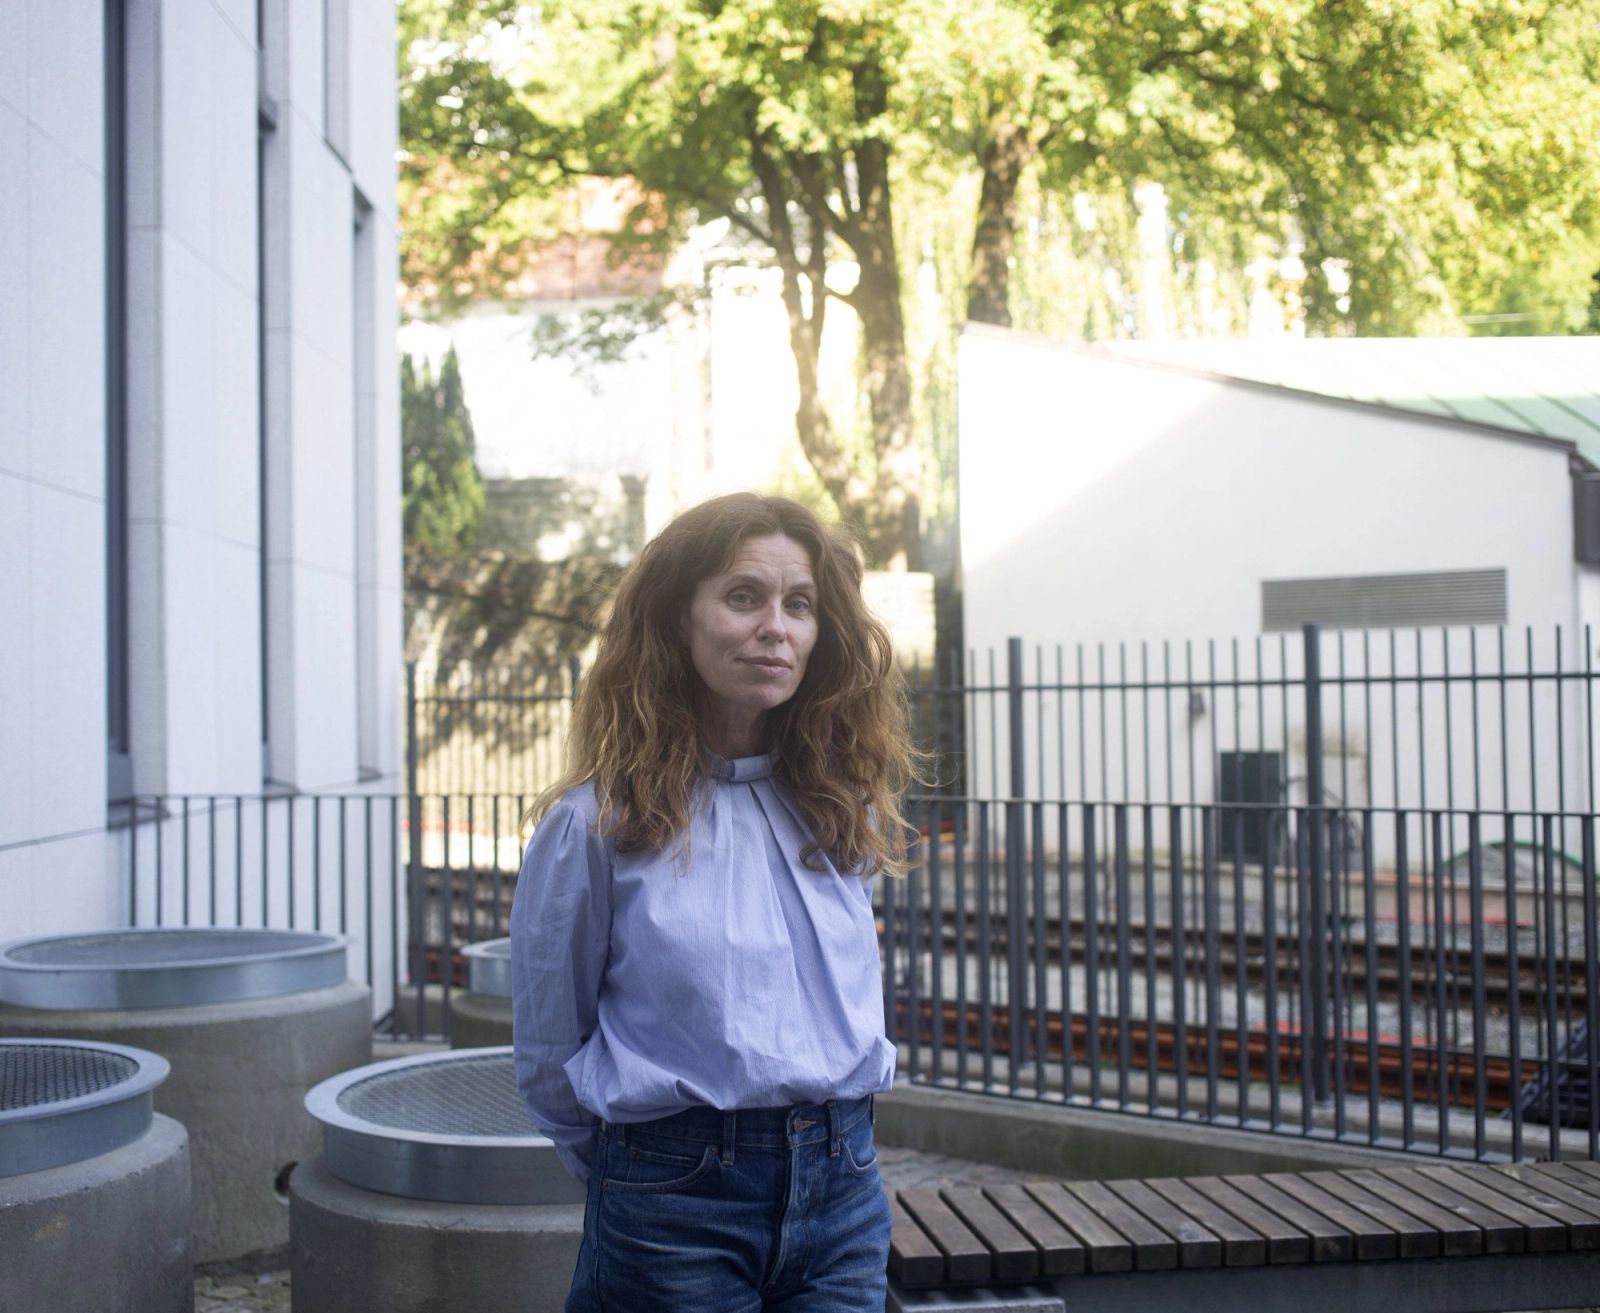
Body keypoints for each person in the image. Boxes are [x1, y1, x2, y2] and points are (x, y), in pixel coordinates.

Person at [510, 492, 918, 1312]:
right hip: (673, 1201)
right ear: (678, 619)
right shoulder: (597, 823)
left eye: (799, 604)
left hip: (843, 1184)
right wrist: (639, 1172)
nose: (776, 627)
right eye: (743, 596)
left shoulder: (843, 805)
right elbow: (551, 1039)